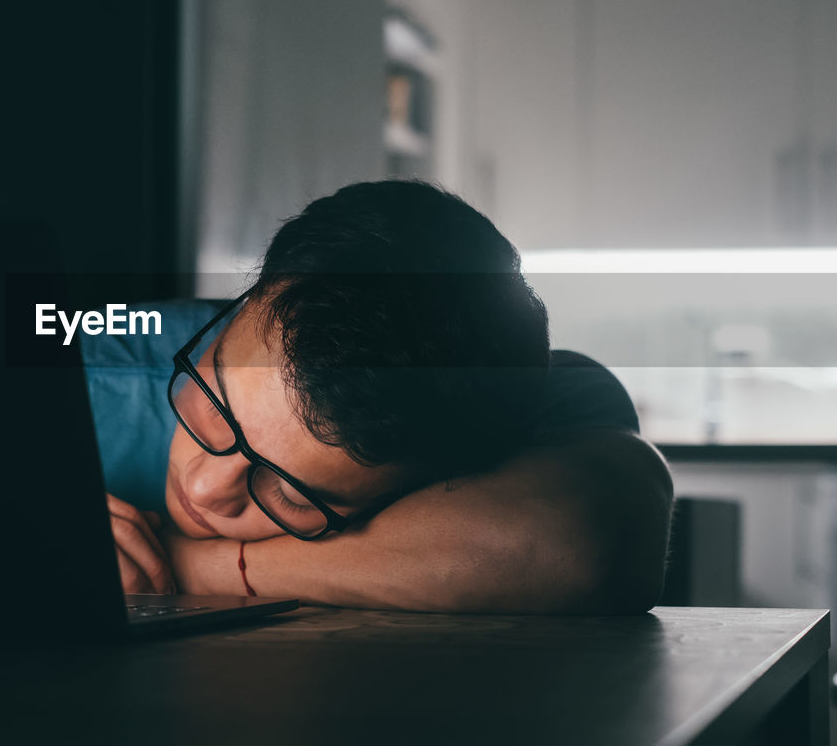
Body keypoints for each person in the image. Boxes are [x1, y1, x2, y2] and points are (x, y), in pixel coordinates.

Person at [84, 180, 672, 613]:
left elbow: (581, 542)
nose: (203, 488)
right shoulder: (83, 349)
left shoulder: (525, 399)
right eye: (212, 404)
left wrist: (184, 566)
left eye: (289, 493)